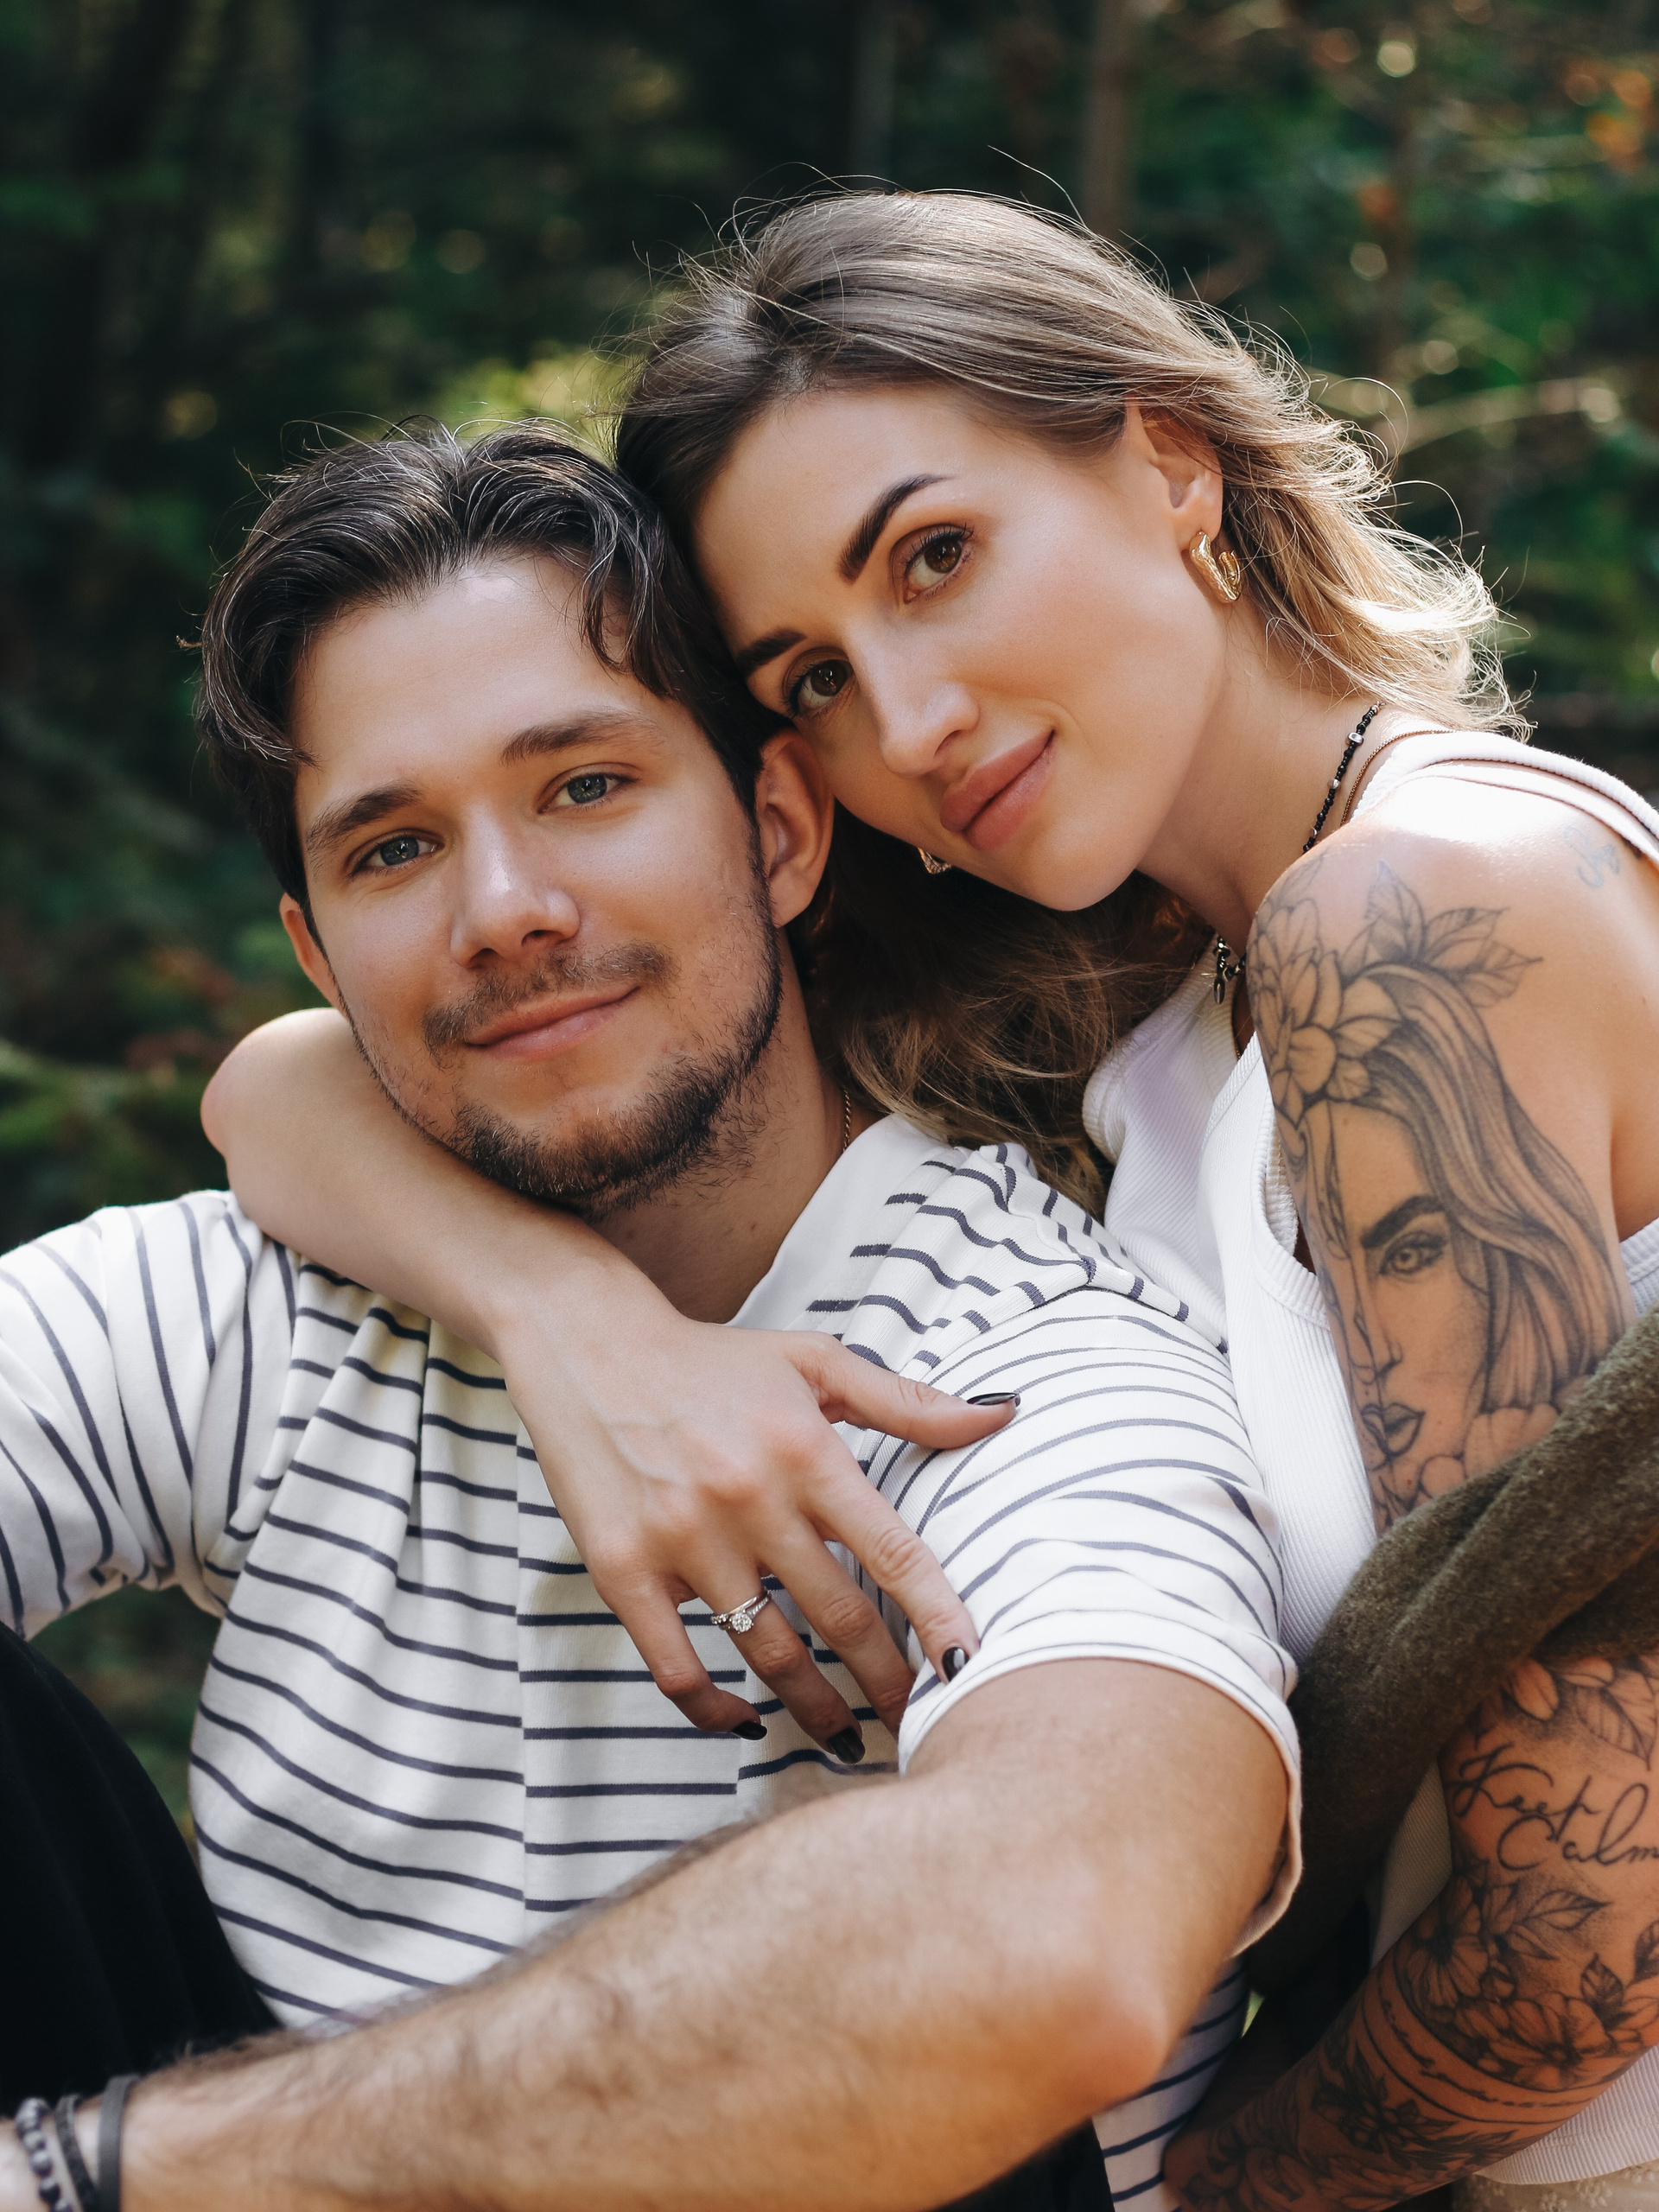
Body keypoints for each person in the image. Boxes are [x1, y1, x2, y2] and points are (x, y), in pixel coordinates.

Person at [207, 191, 1659, 2208]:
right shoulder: (1166, 1022)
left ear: (1169, 461)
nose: (907, 723)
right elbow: (283, 1084)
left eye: (937, 557)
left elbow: (1592, 1937)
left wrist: (1186, 2194)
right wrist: (576, 1322)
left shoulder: (1403, 925)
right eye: (808, 675)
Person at [0, 424, 1299, 2212]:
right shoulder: (246, 1311)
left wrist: (96, 2171)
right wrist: (560, 1316)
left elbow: (1061, 1944)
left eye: (586, 786)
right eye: (395, 846)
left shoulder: (1022, 1364)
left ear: (779, 832)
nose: (505, 912)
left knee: (935, 2005)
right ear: (318, 955)